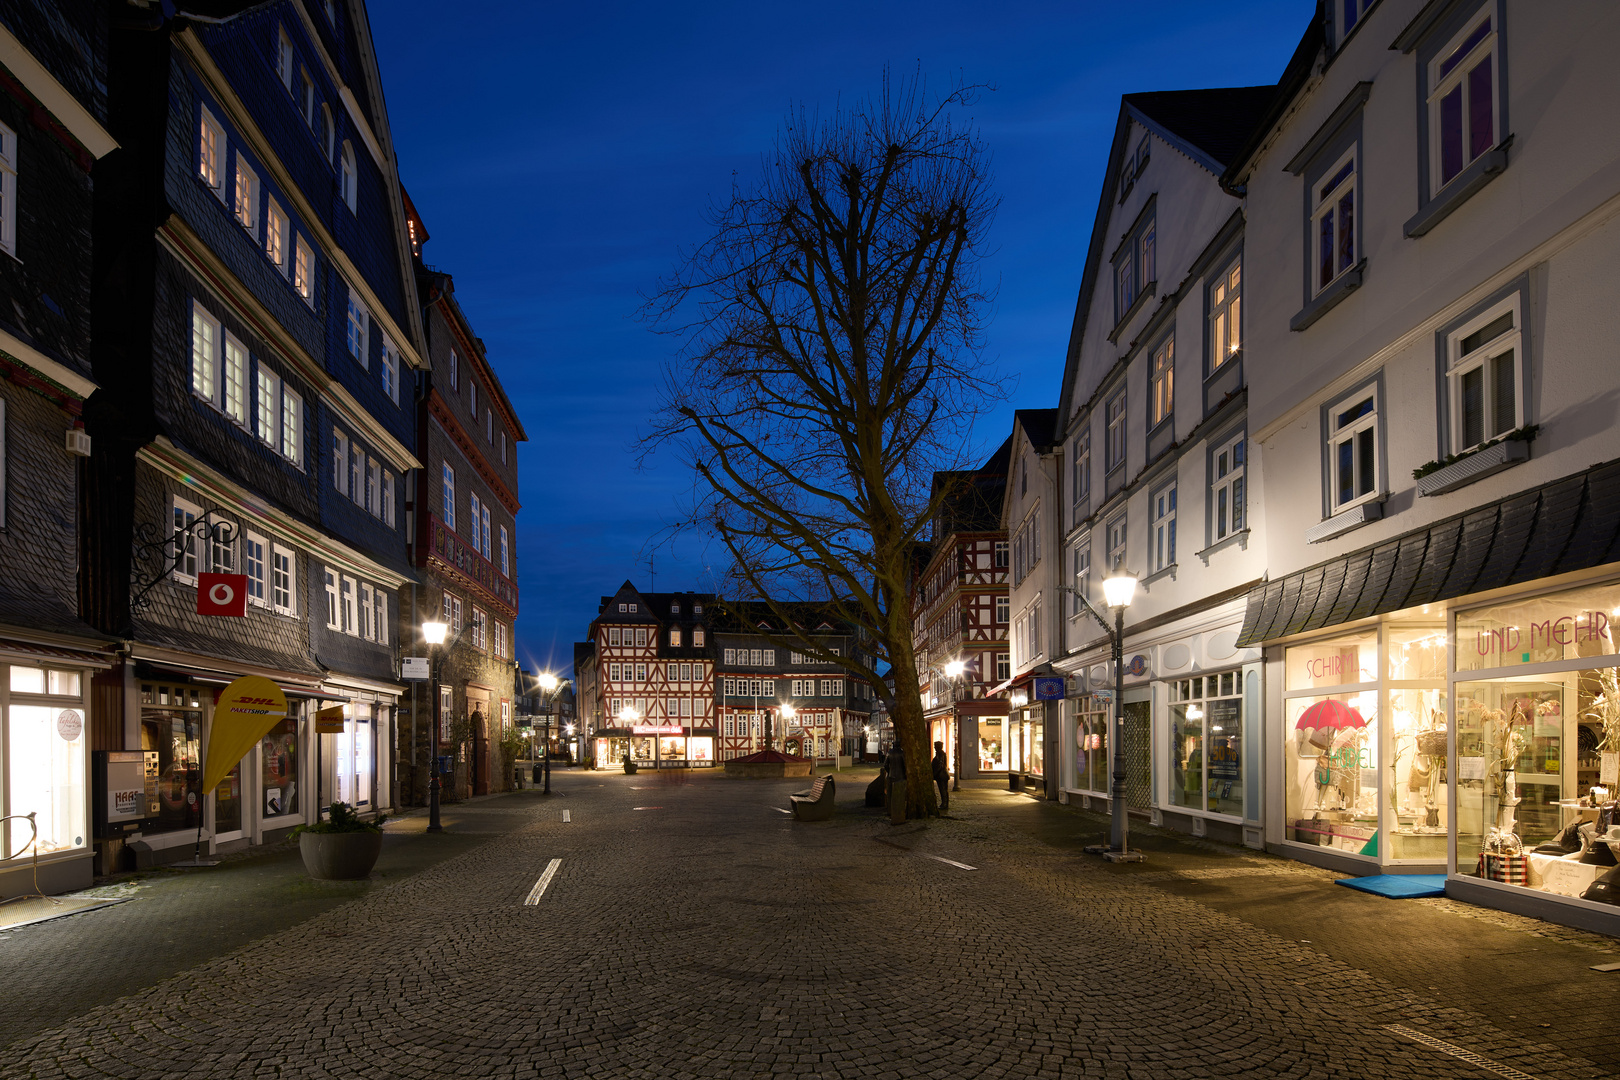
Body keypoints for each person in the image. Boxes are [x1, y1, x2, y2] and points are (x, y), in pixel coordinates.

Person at [932, 741, 950, 813]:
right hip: (941, 775)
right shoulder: (941, 754)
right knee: (943, 789)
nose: (934, 747)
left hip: (941, 775)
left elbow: (940, 765)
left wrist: (934, 774)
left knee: (943, 789)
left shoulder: (940, 754)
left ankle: (945, 804)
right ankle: (944, 803)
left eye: (935, 746)